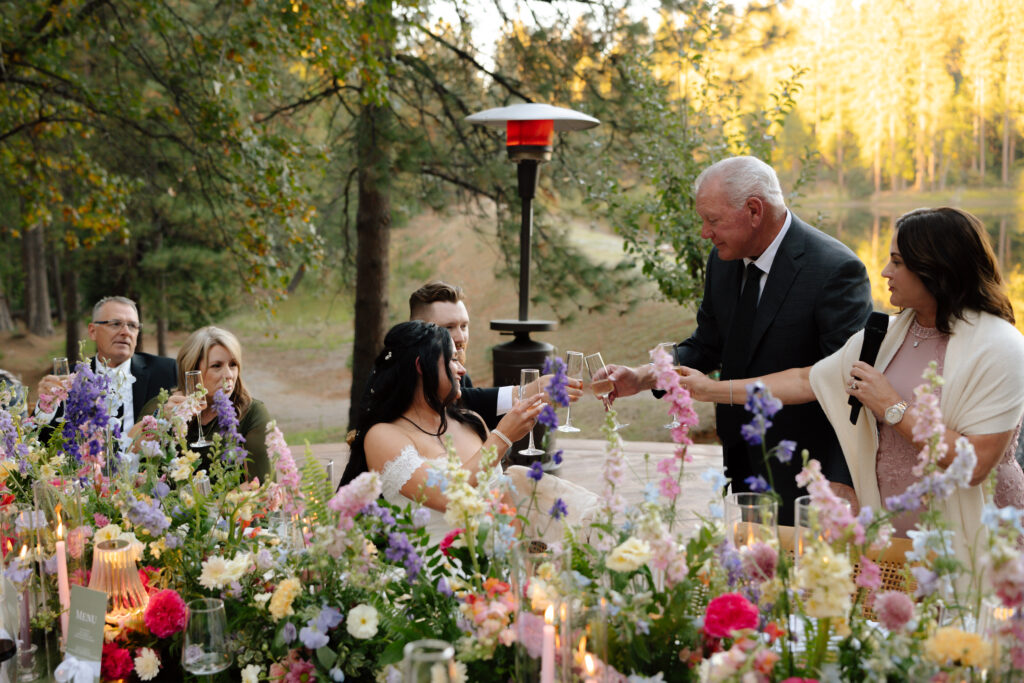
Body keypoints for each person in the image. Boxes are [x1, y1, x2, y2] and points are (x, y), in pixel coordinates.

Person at [678, 208, 1024, 561]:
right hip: (890, 540)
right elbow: (806, 380)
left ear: (937, 269)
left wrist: (892, 407)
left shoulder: (1001, 347)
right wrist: (710, 390)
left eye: (897, 262)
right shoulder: (888, 334)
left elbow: (976, 464)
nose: (885, 272)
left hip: (973, 543)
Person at [602, 156, 873, 524]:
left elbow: (848, 384)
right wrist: (643, 376)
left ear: (754, 211)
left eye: (713, 220)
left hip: (810, 470)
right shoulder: (723, 260)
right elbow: (707, 345)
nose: (705, 233)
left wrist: (843, 477)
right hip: (739, 456)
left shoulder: (835, 269)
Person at [340, 321, 545, 513]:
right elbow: (445, 497)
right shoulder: (382, 436)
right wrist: (502, 437)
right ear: (421, 366)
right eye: (453, 359)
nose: (462, 370)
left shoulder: (472, 421)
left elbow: (505, 506)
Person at [408, 281, 581, 430]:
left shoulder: (460, 375)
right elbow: (457, 401)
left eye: (464, 326)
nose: (460, 337)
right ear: (419, 330)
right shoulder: (407, 376)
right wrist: (528, 391)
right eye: (448, 328)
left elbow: (473, 415)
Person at [36, 296, 177, 450]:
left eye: (132, 326)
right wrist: (45, 408)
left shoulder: (166, 371)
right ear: (93, 331)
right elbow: (41, 442)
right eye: (116, 324)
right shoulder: (67, 378)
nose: (126, 332)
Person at [136, 326, 272, 481]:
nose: (228, 374)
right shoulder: (163, 405)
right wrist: (162, 419)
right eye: (216, 366)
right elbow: (131, 452)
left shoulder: (251, 412)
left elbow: (261, 485)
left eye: (233, 364)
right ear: (192, 369)